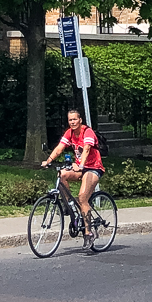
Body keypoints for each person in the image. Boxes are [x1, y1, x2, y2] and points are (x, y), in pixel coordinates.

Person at [41, 108, 104, 252]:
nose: (73, 122)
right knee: (61, 174)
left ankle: (88, 233)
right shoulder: (69, 133)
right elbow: (59, 148)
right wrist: (48, 160)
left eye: (75, 119)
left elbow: (87, 149)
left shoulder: (87, 132)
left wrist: (81, 165)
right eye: (70, 120)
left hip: (93, 168)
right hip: (80, 168)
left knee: (83, 197)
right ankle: (69, 205)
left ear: (80, 120)